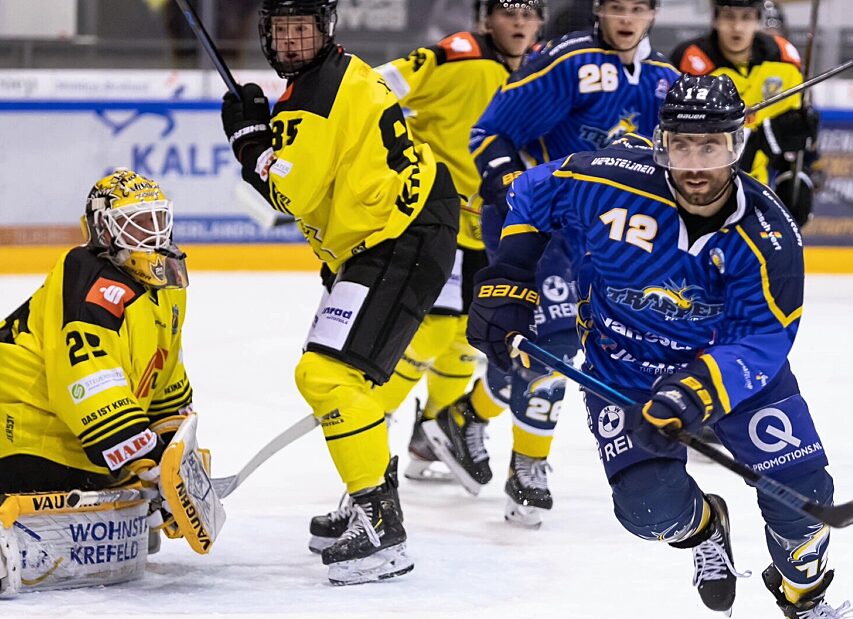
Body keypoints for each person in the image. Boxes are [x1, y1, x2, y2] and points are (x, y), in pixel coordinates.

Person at [465, 75, 853, 619]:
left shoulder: (767, 234)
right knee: (647, 511)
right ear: (661, 143)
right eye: (682, 146)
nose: (695, 164)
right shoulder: (609, 179)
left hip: (731, 377)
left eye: (711, 147)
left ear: (736, 147)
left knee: (804, 494)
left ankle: (805, 602)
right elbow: (531, 189)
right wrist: (511, 274)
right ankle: (707, 528)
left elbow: (765, 337)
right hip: (624, 368)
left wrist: (694, 391)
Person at [219, 0, 459, 585]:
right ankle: (371, 498)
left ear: (325, 31)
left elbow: (290, 194)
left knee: (326, 376)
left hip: (400, 238)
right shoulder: (327, 80)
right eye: (283, 31)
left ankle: (381, 530)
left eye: (304, 29)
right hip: (398, 234)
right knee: (349, 378)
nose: (294, 41)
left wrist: (250, 144)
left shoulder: (315, 94)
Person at [424, 0, 679, 526]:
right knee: (556, 343)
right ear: (599, 11)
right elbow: (490, 133)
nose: (626, 18)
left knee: (550, 346)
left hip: (603, 237)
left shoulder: (663, 81)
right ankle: (529, 466)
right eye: (615, 7)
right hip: (540, 226)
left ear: (653, 14)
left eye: (637, 8)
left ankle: (467, 413)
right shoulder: (570, 63)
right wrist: (506, 182)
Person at [0, 169, 204, 598]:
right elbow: (85, 377)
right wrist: (141, 453)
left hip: (66, 432)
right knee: (100, 478)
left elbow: (164, 370)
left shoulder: (169, 285)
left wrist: (170, 441)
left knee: (117, 481)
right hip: (20, 424)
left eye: (156, 221)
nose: (151, 235)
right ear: (104, 231)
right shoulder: (90, 274)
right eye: (136, 224)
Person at [371, 0, 545, 486]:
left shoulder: (545, 69)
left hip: (498, 226)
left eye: (528, 14)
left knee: (471, 336)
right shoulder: (457, 56)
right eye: (508, 12)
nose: (518, 23)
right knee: (431, 331)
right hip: (440, 221)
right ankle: (371, 431)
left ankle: (432, 434)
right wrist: (397, 156)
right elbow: (370, 88)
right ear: (486, 19)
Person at [670, 0, 818, 228]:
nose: (737, 27)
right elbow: (683, 145)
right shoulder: (689, 62)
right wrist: (762, 138)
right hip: (697, 194)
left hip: (757, 195)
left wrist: (797, 177)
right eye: (729, 16)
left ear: (759, 19)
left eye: (746, 17)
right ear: (715, 18)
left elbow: (796, 134)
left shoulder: (784, 61)